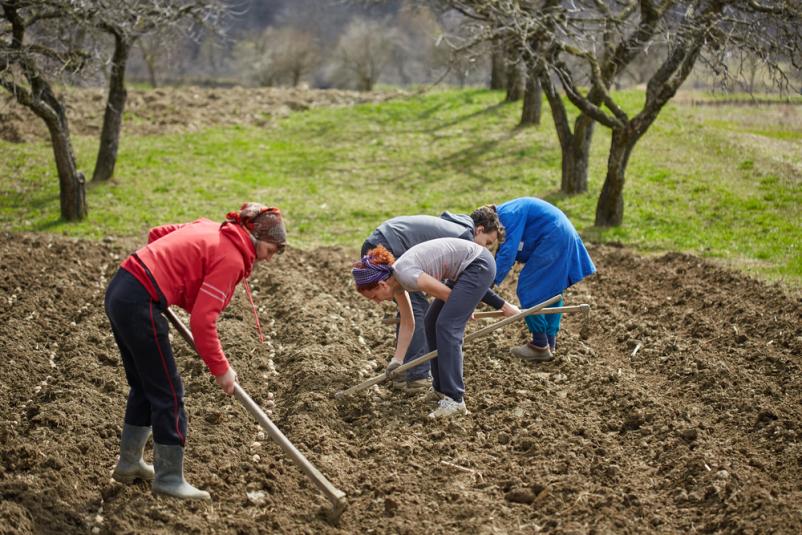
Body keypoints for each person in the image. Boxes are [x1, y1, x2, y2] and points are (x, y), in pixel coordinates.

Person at [104, 203, 287, 500]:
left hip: (121, 288)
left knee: (144, 385)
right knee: (169, 393)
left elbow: (157, 234)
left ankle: (129, 464)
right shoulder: (231, 258)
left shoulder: (210, 227)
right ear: (255, 237)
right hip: (139, 304)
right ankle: (169, 479)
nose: (268, 258)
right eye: (270, 249)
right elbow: (202, 321)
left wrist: (167, 272)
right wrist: (222, 370)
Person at [352, 238, 520, 419]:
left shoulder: (406, 275)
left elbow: (449, 295)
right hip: (467, 269)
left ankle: (455, 399)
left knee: (447, 326)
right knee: (430, 322)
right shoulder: (397, 283)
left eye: (374, 296)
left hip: (477, 264)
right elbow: (408, 322)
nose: (377, 302)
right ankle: (440, 388)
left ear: (382, 284)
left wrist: (465, 306)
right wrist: (397, 360)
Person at [360, 206, 508, 391]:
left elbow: (458, 284)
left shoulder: (454, 230)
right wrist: (487, 305)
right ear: (479, 230)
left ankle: (410, 373)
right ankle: (416, 376)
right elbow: (457, 287)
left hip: (382, 242)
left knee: (421, 311)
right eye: (487, 242)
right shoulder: (463, 237)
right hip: (388, 246)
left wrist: (462, 306)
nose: (484, 248)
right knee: (422, 311)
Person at [493, 197, 595, 362]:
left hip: (554, 237)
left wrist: (489, 281)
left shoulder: (506, 215)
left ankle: (539, 345)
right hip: (560, 234)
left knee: (528, 288)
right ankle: (549, 342)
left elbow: (508, 250)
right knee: (552, 291)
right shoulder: (507, 212)